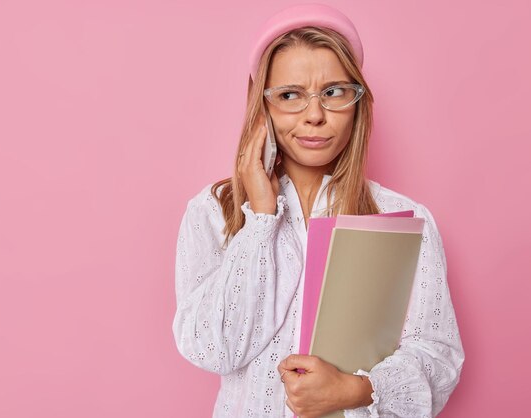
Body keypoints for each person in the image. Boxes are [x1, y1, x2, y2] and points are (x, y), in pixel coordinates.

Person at [172, 3, 464, 417]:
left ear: (357, 101)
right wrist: (260, 219)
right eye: (290, 95)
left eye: (333, 92)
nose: (314, 115)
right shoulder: (212, 213)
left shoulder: (403, 217)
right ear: (262, 106)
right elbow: (211, 349)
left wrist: (357, 389)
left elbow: (439, 356)